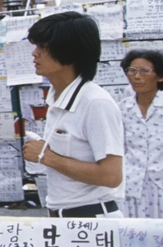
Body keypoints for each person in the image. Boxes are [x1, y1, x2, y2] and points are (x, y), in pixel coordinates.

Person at [21, 12, 124, 218]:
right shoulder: (56, 98)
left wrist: (46, 157)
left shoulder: (95, 103)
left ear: (69, 51)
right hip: (62, 218)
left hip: (92, 219)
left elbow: (111, 175)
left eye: (43, 46)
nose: (34, 53)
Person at [119, 49, 163, 217]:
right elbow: (119, 149)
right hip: (131, 187)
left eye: (145, 71)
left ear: (160, 77)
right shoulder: (122, 109)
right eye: (132, 71)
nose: (137, 77)